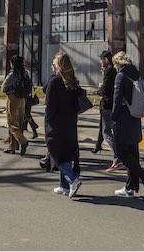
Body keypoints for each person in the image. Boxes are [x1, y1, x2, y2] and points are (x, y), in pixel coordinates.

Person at [110, 51, 144, 201]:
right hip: (135, 117)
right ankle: (130, 187)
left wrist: (113, 119)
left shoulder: (121, 76)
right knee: (133, 152)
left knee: (122, 152)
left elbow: (117, 100)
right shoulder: (136, 74)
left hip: (123, 117)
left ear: (117, 63)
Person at [44, 51, 85, 199]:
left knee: (56, 154)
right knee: (66, 153)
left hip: (56, 124)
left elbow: (49, 106)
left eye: (54, 62)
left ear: (58, 65)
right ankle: (64, 186)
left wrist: (47, 123)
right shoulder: (72, 80)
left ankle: (73, 179)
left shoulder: (54, 81)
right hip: (70, 123)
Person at [93, 50, 120, 171]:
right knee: (107, 128)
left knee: (106, 132)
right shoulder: (112, 70)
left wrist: (98, 91)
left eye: (102, 59)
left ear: (105, 59)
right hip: (112, 104)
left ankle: (118, 155)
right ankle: (99, 146)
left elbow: (105, 89)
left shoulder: (109, 70)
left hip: (107, 104)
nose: (101, 61)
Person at [2, 55, 31, 156]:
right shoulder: (26, 73)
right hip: (23, 99)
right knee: (19, 123)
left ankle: (23, 141)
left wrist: (8, 91)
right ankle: (13, 146)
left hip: (13, 99)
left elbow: (3, 87)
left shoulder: (12, 74)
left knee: (12, 124)